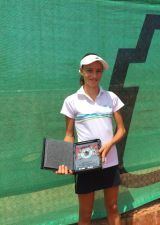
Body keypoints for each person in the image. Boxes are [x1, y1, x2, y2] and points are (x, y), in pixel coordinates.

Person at [56, 53, 126, 225]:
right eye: (89, 71)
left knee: (114, 207)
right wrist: (66, 160)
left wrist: (109, 144)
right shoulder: (71, 101)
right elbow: (69, 134)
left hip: (110, 162)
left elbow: (121, 130)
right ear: (81, 71)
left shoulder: (111, 97)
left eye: (98, 71)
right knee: (86, 214)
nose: (94, 75)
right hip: (84, 163)